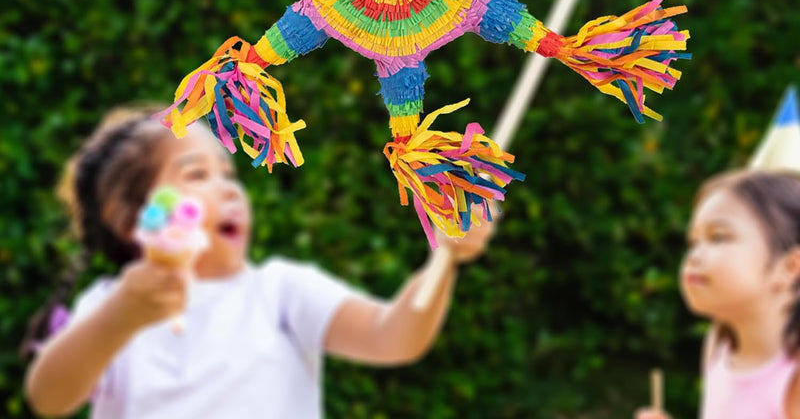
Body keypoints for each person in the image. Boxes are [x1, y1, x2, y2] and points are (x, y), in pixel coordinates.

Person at [24, 106, 494, 418]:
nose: (229, 189)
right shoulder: (110, 307)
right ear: (130, 219)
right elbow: (48, 398)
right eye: (197, 174)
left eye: (227, 174)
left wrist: (444, 261)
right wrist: (118, 320)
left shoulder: (281, 292)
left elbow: (392, 336)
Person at [635, 169, 800, 419]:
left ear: (788, 268)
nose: (694, 256)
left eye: (718, 237)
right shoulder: (718, 347)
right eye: (693, 243)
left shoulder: (793, 382)